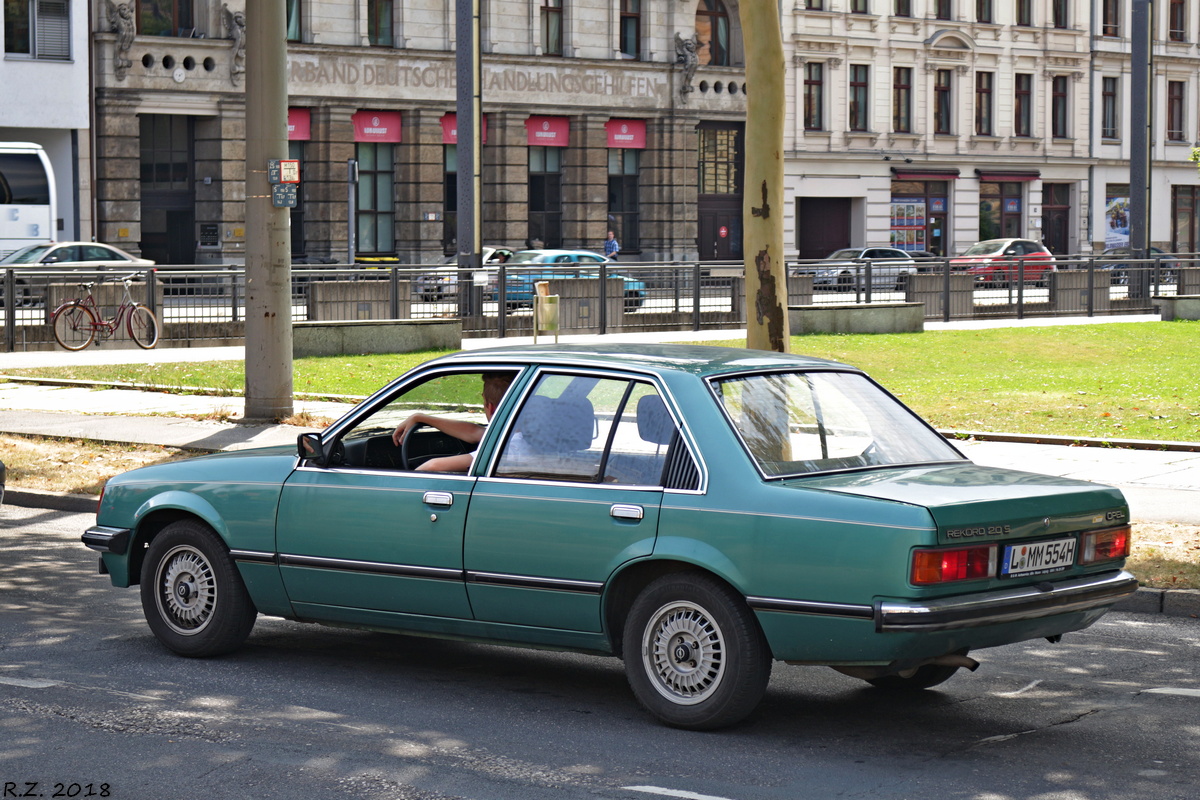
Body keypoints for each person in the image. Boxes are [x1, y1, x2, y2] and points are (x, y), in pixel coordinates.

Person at [391, 373, 513, 472]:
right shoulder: (517, 432)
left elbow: (432, 466)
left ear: (490, 407)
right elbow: (476, 432)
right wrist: (420, 417)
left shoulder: (513, 447)